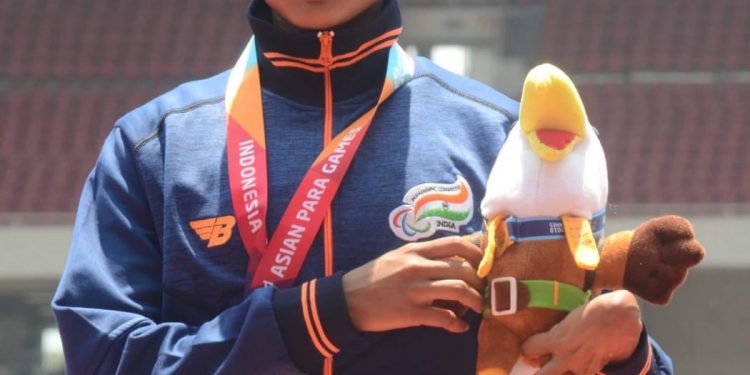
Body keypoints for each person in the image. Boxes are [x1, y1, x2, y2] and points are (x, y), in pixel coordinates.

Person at [52, 0, 673, 374]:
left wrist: (625, 350)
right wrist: (326, 313)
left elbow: (573, 347)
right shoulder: (155, 147)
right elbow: (103, 360)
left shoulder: (506, 140)